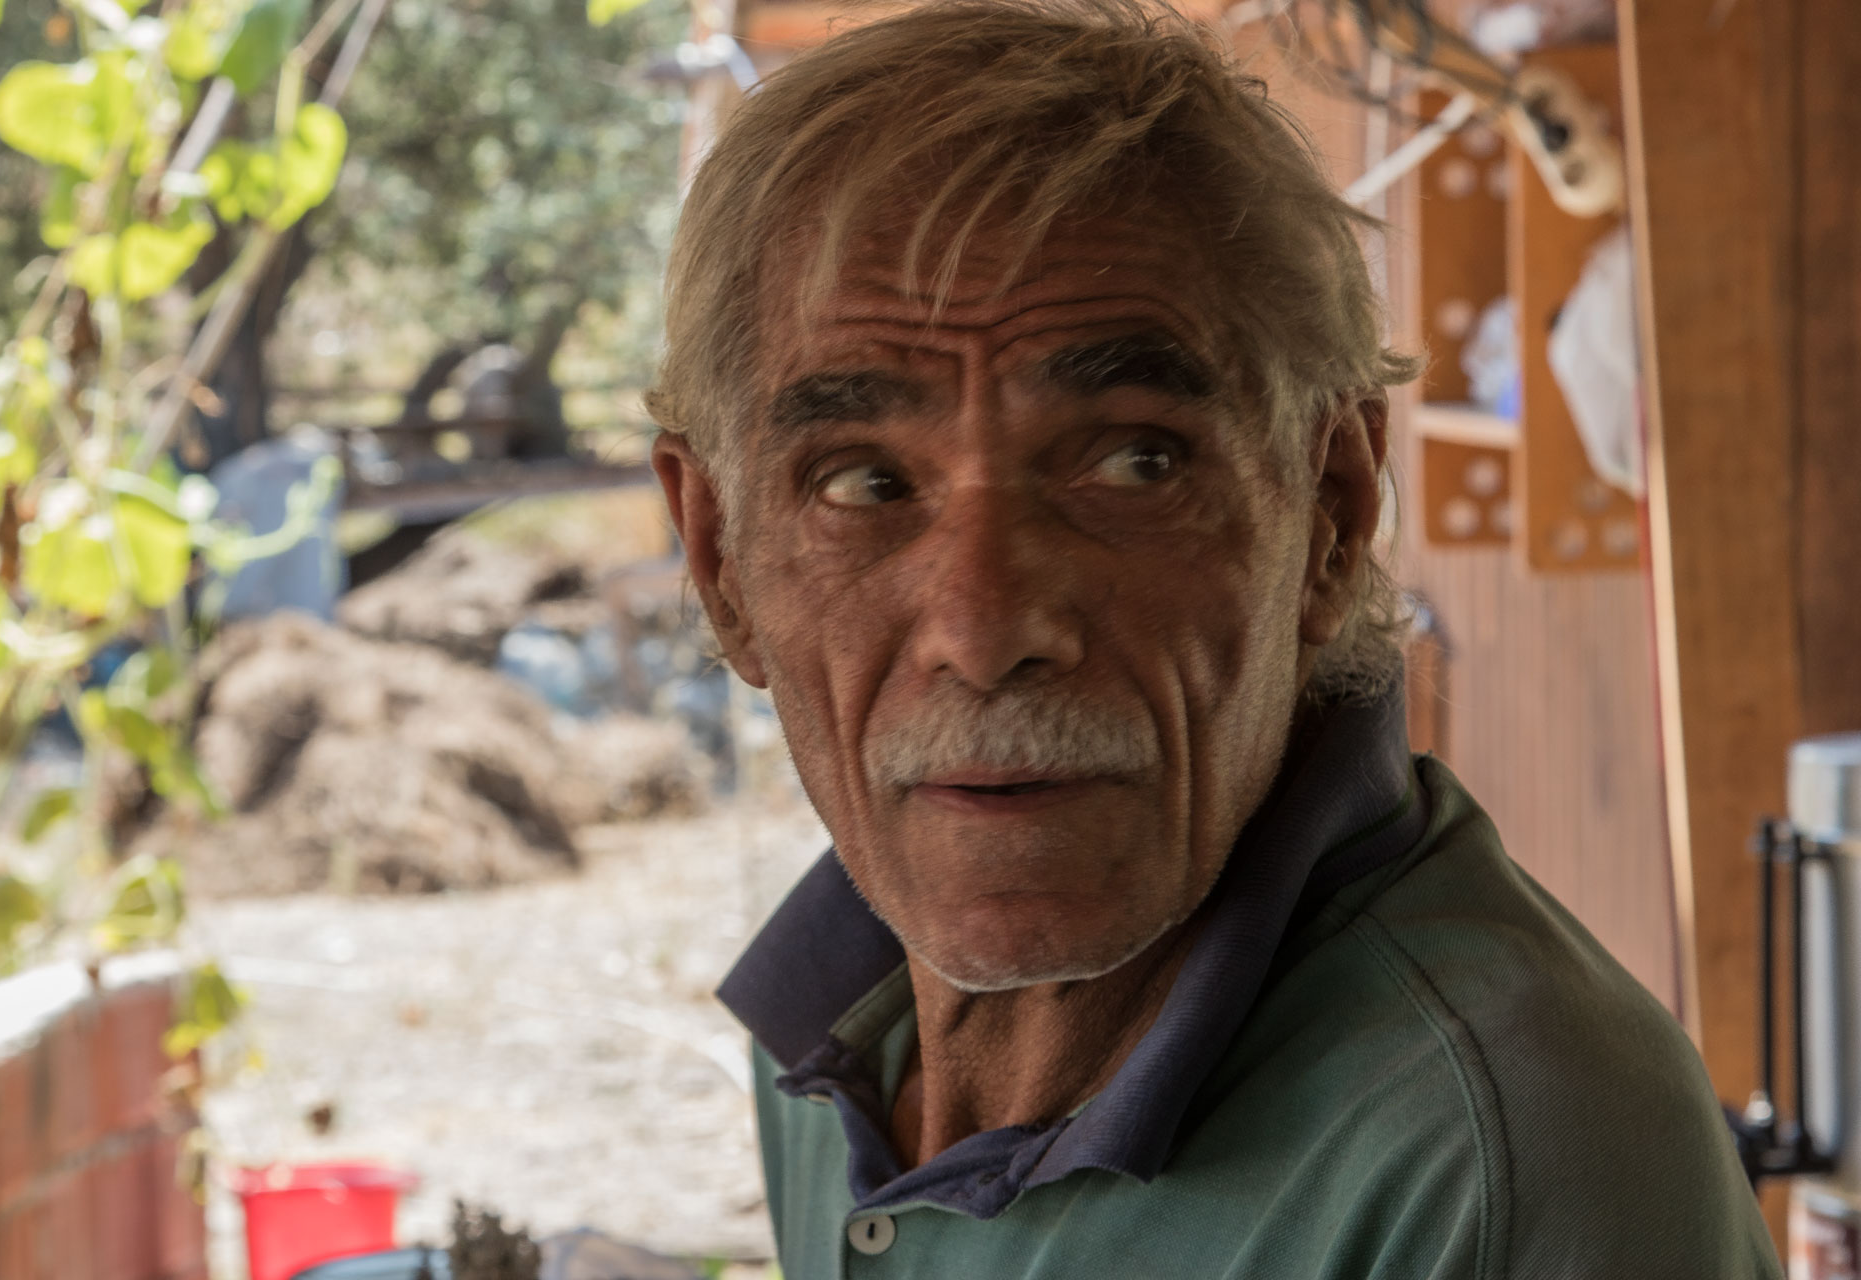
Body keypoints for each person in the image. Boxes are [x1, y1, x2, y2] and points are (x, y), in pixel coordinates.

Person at [644, 2, 1781, 1275]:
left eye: (1135, 462)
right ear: (719, 559)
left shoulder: (1504, 1165)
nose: (983, 630)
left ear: (1331, 515)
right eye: (862, 482)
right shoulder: (836, 1028)